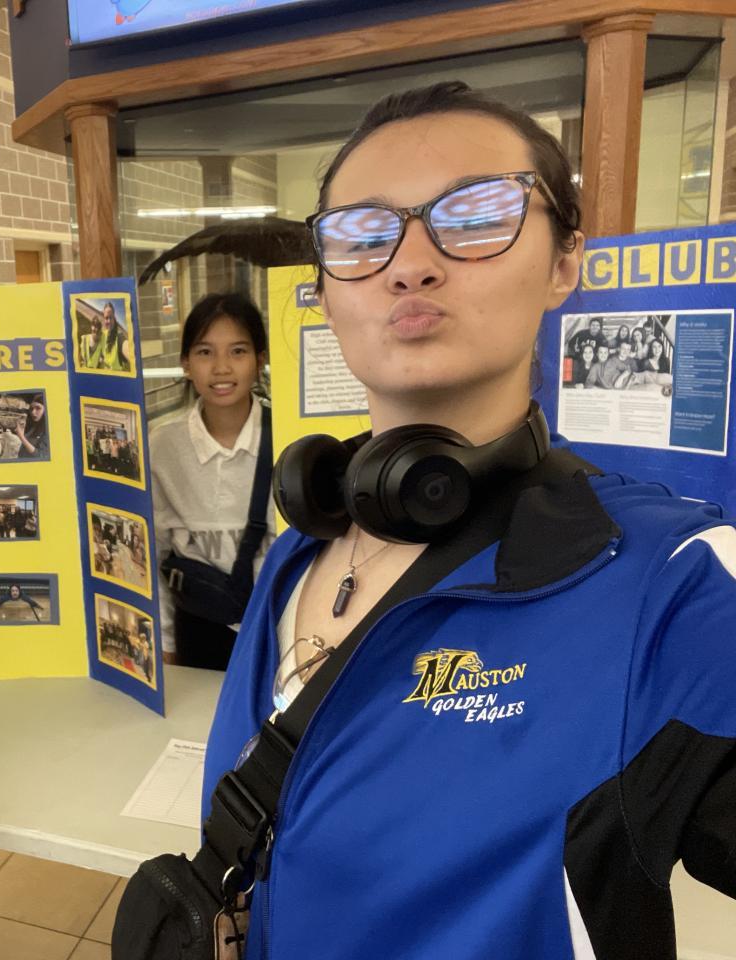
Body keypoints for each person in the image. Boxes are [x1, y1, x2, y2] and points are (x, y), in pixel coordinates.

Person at [202, 82, 736, 959]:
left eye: (478, 215)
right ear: (325, 293)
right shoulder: (299, 547)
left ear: (564, 263)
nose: (410, 264)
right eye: (363, 236)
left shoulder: (668, 584)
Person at [149, 291, 275, 670]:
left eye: (238, 351)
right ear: (186, 363)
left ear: (260, 360)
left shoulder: (290, 436)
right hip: (197, 624)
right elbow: (152, 552)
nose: (221, 368)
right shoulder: (161, 446)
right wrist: (164, 641)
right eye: (205, 352)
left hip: (277, 622)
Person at [86, 301, 133, 372]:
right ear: (104, 319)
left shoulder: (119, 338)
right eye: (106, 318)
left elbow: (129, 352)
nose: (109, 321)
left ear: (114, 318)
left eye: (111, 318)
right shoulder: (102, 335)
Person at [15, 394, 50, 459]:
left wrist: (21, 437)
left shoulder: (49, 429)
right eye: (31, 408)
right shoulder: (34, 425)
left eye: (38, 408)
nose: (33, 412)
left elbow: (41, 456)